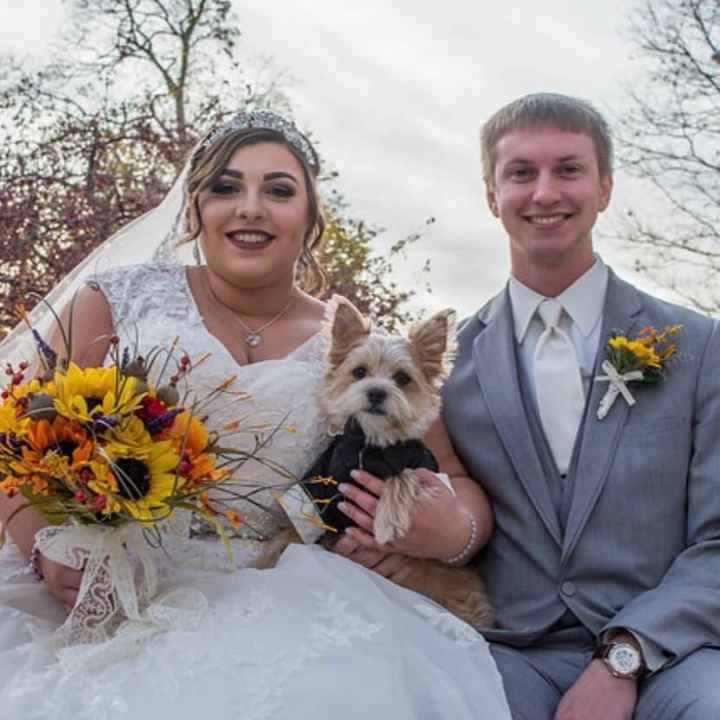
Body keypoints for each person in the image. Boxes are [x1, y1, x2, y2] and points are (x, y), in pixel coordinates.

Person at [0, 111, 510, 719]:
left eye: (278, 190)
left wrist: (453, 532)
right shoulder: (117, 300)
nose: (250, 207)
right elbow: (18, 437)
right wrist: (45, 547)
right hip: (114, 581)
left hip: (286, 590)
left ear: (310, 217)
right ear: (196, 207)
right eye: (226, 187)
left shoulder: (356, 350)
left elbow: (454, 477)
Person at [336, 92, 720, 720]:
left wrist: (626, 654)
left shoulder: (699, 346)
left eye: (568, 169)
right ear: (492, 195)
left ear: (605, 187)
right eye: (521, 173)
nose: (545, 192)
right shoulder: (438, 373)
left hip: (678, 654)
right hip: (507, 650)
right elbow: (425, 495)